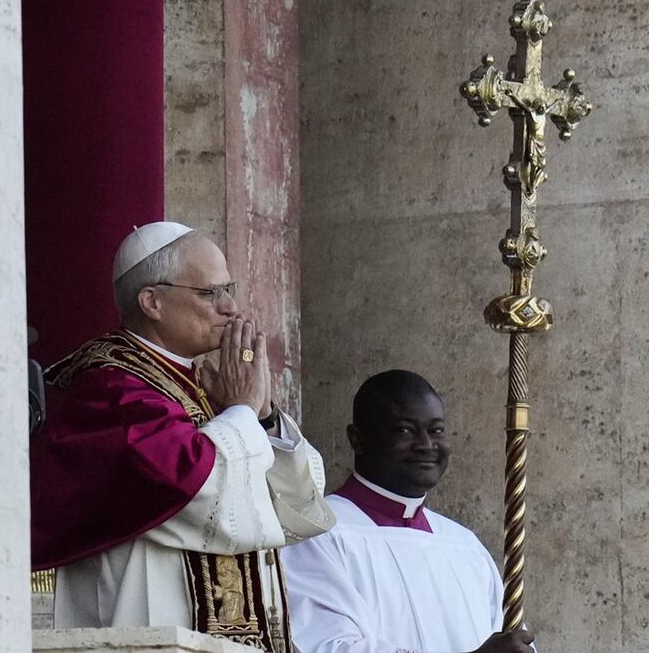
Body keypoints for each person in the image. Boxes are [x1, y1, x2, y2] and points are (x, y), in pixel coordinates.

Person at [30, 221, 335, 653]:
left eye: (229, 289)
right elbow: (192, 487)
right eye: (210, 293)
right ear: (152, 301)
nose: (230, 307)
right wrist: (243, 410)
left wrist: (263, 415)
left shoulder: (206, 387)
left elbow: (291, 510)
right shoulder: (112, 385)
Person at [281, 370, 537, 653]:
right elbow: (327, 646)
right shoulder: (318, 533)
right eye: (405, 430)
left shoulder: (464, 545)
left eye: (436, 430)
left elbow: (513, 641)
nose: (426, 445)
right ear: (357, 439)